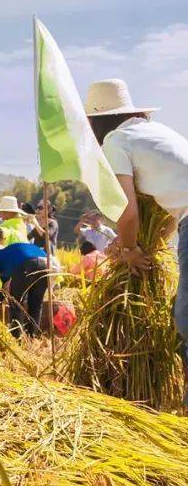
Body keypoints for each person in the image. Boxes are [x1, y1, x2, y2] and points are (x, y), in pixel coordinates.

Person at [85, 77, 188, 351]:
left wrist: (130, 249)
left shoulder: (116, 141)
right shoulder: (158, 133)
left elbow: (127, 210)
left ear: (96, 122)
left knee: (186, 320)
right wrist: (153, 245)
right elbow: (168, 209)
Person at [0, 237, 50, 337]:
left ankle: (15, 337)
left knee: (15, 302)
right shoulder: (5, 260)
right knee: (36, 303)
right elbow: (6, 287)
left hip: (27, 262)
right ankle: (32, 336)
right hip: (46, 263)